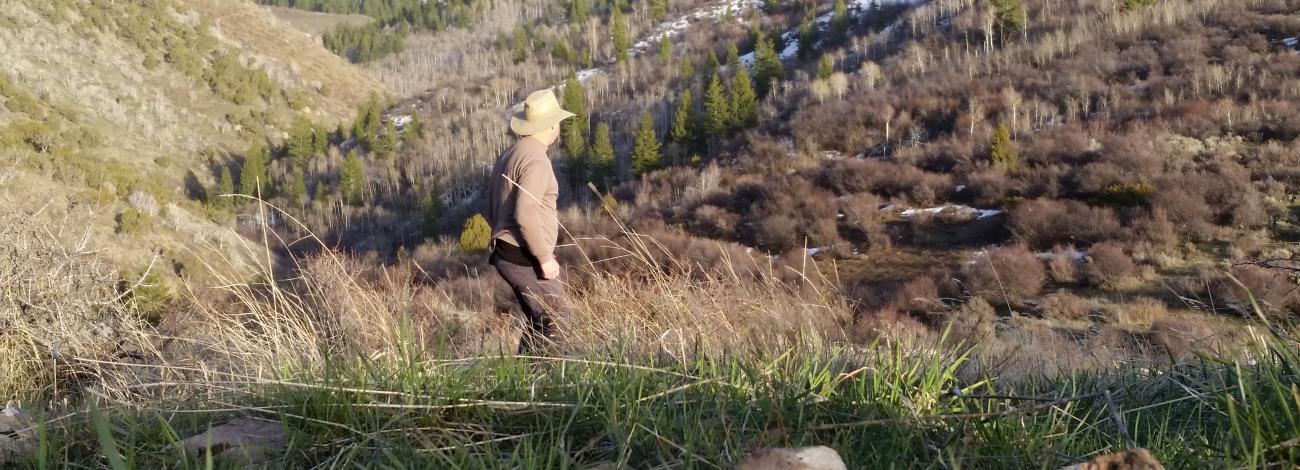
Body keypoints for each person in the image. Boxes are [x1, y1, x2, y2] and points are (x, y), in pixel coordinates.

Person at [488, 88, 576, 354]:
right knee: (558, 320)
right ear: (550, 125)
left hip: (508, 251)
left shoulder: (511, 153)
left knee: (541, 321)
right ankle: (538, 386)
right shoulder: (537, 160)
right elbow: (525, 212)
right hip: (523, 255)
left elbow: (496, 202)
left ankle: (523, 381)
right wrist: (544, 257)